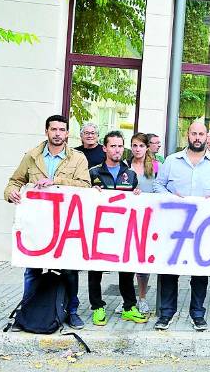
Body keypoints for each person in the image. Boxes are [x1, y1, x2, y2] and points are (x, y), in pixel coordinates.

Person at [3, 114, 90, 329]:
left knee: (69, 270)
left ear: (67, 133)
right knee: (32, 270)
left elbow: (85, 186)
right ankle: (27, 312)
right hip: (37, 226)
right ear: (47, 131)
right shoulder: (31, 156)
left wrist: (56, 181)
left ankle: (71, 311)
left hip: (66, 226)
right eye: (54, 129)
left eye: (62, 130)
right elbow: (14, 181)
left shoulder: (77, 158)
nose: (58, 134)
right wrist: (11, 192)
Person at [153, 122, 210, 332]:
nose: (197, 137)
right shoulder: (171, 161)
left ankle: (197, 314)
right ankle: (166, 314)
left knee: (199, 272)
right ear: (187, 135)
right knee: (170, 271)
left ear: (207, 137)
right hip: (174, 228)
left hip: (203, 230)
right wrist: (172, 197)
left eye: (201, 134)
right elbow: (157, 185)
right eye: (194, 133)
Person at [87, 131, 148, 326]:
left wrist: (137, 195)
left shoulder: (130, 174)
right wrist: (89, 193)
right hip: (99, 231)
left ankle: (129, 307)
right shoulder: (93, 172)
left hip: (123, 231)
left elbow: (134, 205)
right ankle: (97, 307)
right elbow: (83, 200)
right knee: (95, 269)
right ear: (104, 148)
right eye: (112, 146)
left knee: (126, 269)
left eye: (120, 146)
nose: (117, 150)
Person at [122, 132, 158, 314]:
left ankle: (142, 298)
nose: (137, 149)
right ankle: (127, 301)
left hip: (148, 219)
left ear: (147, 148)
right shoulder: (124, 166)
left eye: (141, 146)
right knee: (127, 261)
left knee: (143, 262)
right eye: (134, 146)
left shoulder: (155, 167)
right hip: (126, 218)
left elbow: (160, 189)